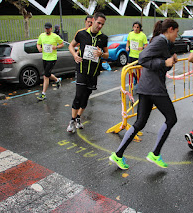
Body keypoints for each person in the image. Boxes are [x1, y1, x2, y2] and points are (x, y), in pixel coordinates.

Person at [109, 19, 179, 170]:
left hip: (146, 87)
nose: (177, 35)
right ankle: (155, 154)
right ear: (171, 29)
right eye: (177, 32)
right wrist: (164, 63)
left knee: (140, 123)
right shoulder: (160, 41)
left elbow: (157, 63)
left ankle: (118, 154)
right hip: (154, 88)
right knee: (171, 118)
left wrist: (169, 62)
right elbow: (143, 58)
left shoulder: (162, 42)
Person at [67, 12, 109, 132]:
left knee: (86, 97)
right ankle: (72, 121)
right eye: (98, 23)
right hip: (81, 69)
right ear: (93, 21)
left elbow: (107, 54)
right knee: (78, 95)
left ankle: (78, 118)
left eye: (102, 24)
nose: (100, 26)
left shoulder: (103, 38)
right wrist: (75, 55)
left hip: (94, 72)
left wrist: (101, 54)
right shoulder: (81, 34)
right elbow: (71, 46)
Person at [36, 22, 64, 100]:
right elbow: (38, 44)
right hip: (44, 58)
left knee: (46, 75)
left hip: (52, 58)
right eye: (46, 28)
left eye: (48, 28)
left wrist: (56, 47)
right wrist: (39, 48)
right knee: (47, 74)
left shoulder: (55, 36)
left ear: (51, 29)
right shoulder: (42, 35)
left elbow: (62, 44)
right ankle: (57, 80)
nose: (47, 29)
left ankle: (43, 94)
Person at [126, 21, 148, 87]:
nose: (135, 29)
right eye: (134, 27)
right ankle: (135, 77)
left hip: (139, 55)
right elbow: (128, 41)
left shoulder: (143, 35)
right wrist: (127, 46)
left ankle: (139, 83)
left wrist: (142, 47)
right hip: (131, 55)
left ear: (140, 28)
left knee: (137, 70)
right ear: (133, 27)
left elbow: (146, 45)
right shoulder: (130, 34)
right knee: (128, 69)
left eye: (137, 27)